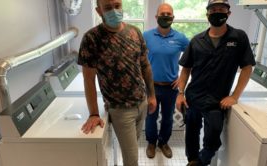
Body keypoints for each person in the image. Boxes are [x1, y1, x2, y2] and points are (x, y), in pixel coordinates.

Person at [176, 0, 256, 165]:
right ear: (207, 14)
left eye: (222, 9)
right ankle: (191, 160)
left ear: (228, 13)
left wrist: (235, 96)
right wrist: (180, 93)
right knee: (191, 132)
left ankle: (201, 161)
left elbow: (247, 68)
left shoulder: (238, 37)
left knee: (213, 136)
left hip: (217, 101)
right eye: (213, 9)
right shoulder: (197, 40)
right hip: (193, 97)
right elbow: (185, 70)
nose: (217, 12)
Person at [77, 0, 157, 165]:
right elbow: (88, 79)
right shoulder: (92, 38)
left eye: (117, 5)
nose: (114, 10)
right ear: (99, 11)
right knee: (132, 159)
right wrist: (93, 113)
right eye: (108, 7)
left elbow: (145, 65)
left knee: (133, 146)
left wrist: (152, 96)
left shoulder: (134, 32)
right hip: (120, 110)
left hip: (141, 103)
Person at [143, 3, 190, 159]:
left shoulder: (180, 38)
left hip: (171, 87)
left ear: (173, 18)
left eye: (168, 14)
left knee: (168, 117)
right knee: (151, 116)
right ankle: (151, 142)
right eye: (162, 14)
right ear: (156, 17)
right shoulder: (146, 36)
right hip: (151, 86)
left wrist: (182, 79)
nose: (165, 16)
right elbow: (137, 58)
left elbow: (193, 57)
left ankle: (163, 142)